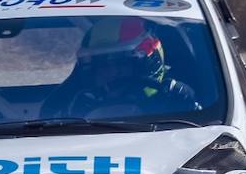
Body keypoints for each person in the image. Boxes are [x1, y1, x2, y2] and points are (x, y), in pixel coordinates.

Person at [44, 17, 199, 118]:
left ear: (147, 61)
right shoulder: (80, 103)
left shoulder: (172, 97)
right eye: (100, 64)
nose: (109, 73)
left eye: (121, 63)